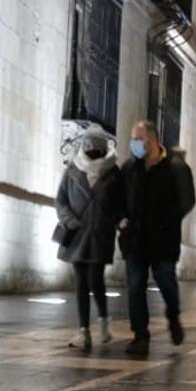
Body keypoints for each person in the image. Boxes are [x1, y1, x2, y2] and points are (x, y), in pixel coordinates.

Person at [119, 121, 196, 355]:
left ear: (150, 141)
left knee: (166, 283)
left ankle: (173, 317)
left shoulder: (176, 167)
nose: (133, 143)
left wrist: (167, 221)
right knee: (135, 287)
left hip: (163, 239)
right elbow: (119, 197)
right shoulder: (130, 168)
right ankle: (140, 336)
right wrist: (121, 219)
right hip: (135, 240)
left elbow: (187, 201)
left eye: (137, 138)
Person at [54, 126, 124, 350]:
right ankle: (84, 330)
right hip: (77, 233)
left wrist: (116, 220)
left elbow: (120, 204)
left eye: (96, 145)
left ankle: (103, 323)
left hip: (100, 234)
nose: (92, 148)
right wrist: (67, 219)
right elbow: (61, 199)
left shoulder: (114, 173)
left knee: (96, 279)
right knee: (81, 282)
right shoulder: (73, 169)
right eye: (89, 144)